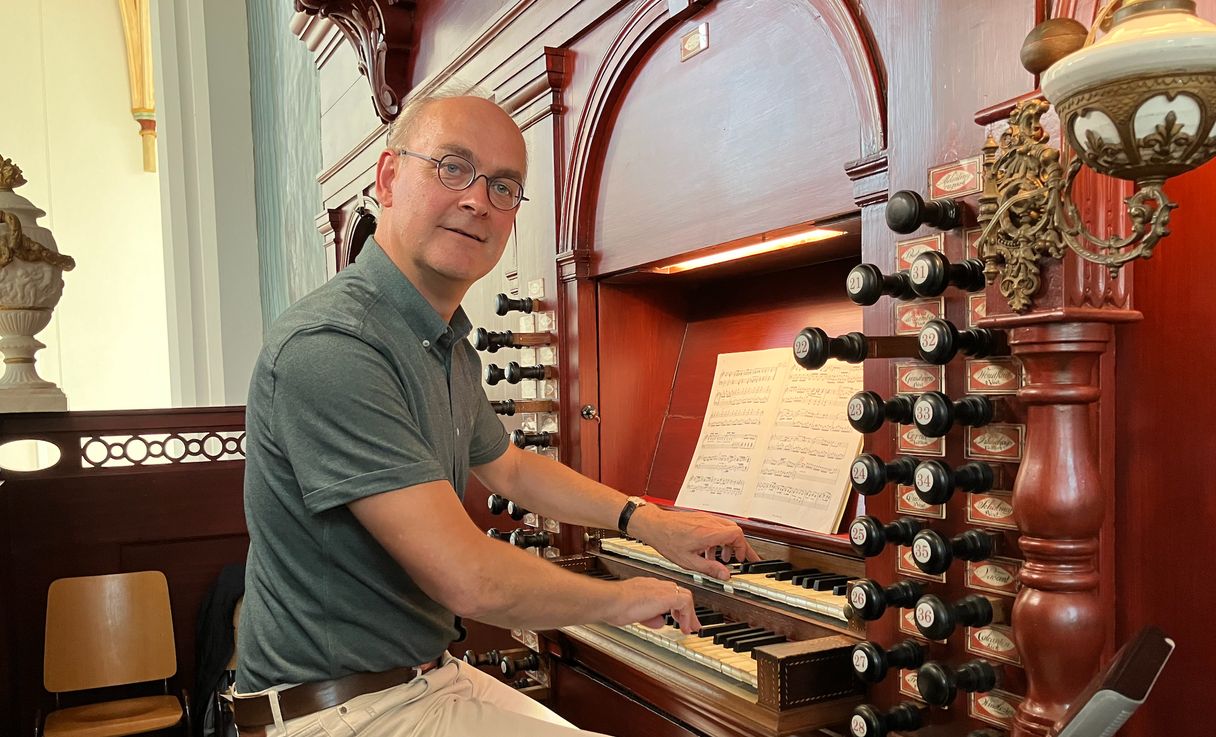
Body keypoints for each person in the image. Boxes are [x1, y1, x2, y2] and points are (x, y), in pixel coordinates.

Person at [234, 92, 758, 737]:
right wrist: (626, 598)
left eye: (504, 186)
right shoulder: (334, 346)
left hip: (422, 679)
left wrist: (648, 523)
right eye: (452, 167)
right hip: (337, 710)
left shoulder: (440, 337)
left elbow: (509, 468)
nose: (478, 200)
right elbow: (471, 579)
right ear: (390, 177)